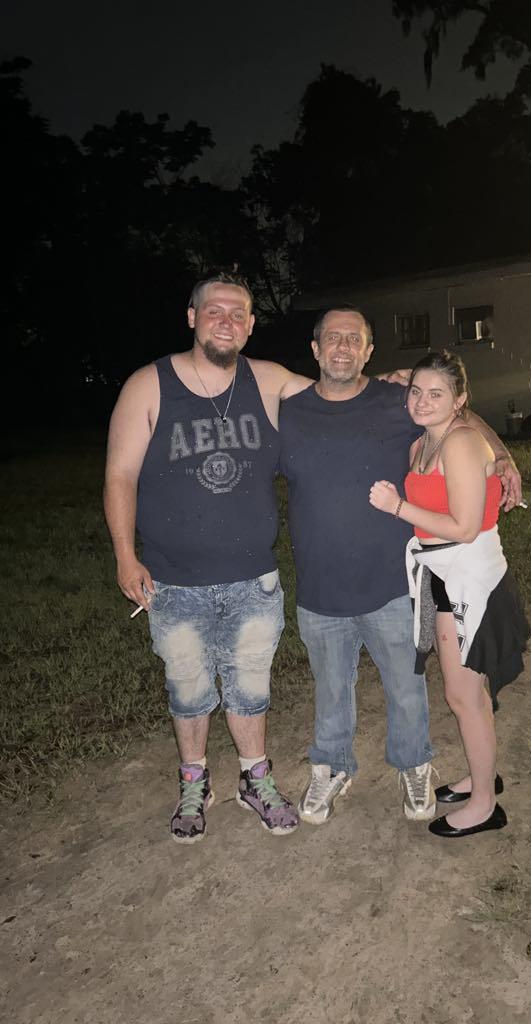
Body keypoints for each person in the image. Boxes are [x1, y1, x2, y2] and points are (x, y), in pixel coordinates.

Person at [279, 309, 522, 826]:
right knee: (333, 688)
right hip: (332, 584)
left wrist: (502, 456)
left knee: (416, 687)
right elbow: (445, 411)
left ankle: (416, 767)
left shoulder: (399, 400)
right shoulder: (291, 410)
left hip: (404, 581)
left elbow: (460, 417)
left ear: (370, 351)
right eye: (332, 339)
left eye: (355, 339)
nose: (343, 347)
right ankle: (332, 766)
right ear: (316, 349)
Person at [104, 272, 313, 843]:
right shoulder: (148, 385)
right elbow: (120, 475)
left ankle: (254, 779)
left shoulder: (269, 381)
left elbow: (341, 403)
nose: (226, 319)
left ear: (249, 325)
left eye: (237, 312)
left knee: (251, 685)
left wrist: (459, 420)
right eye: (213, 309)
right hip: (175, 580)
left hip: (254, 578)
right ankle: (194, 782)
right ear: (191, 317)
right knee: (188, 687)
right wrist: (126, 556)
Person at [369, 350, 531, 838]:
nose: (422, 401)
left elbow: (463, 527)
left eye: (436, 393)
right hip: (442, 575)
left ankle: (484, 804)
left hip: (470, 578)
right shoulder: (423, 443)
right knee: (466, 692)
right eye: (415, 391)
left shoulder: (460, 443)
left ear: (460, 400)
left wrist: (396, 507)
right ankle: (482, 778)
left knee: (463, 696)